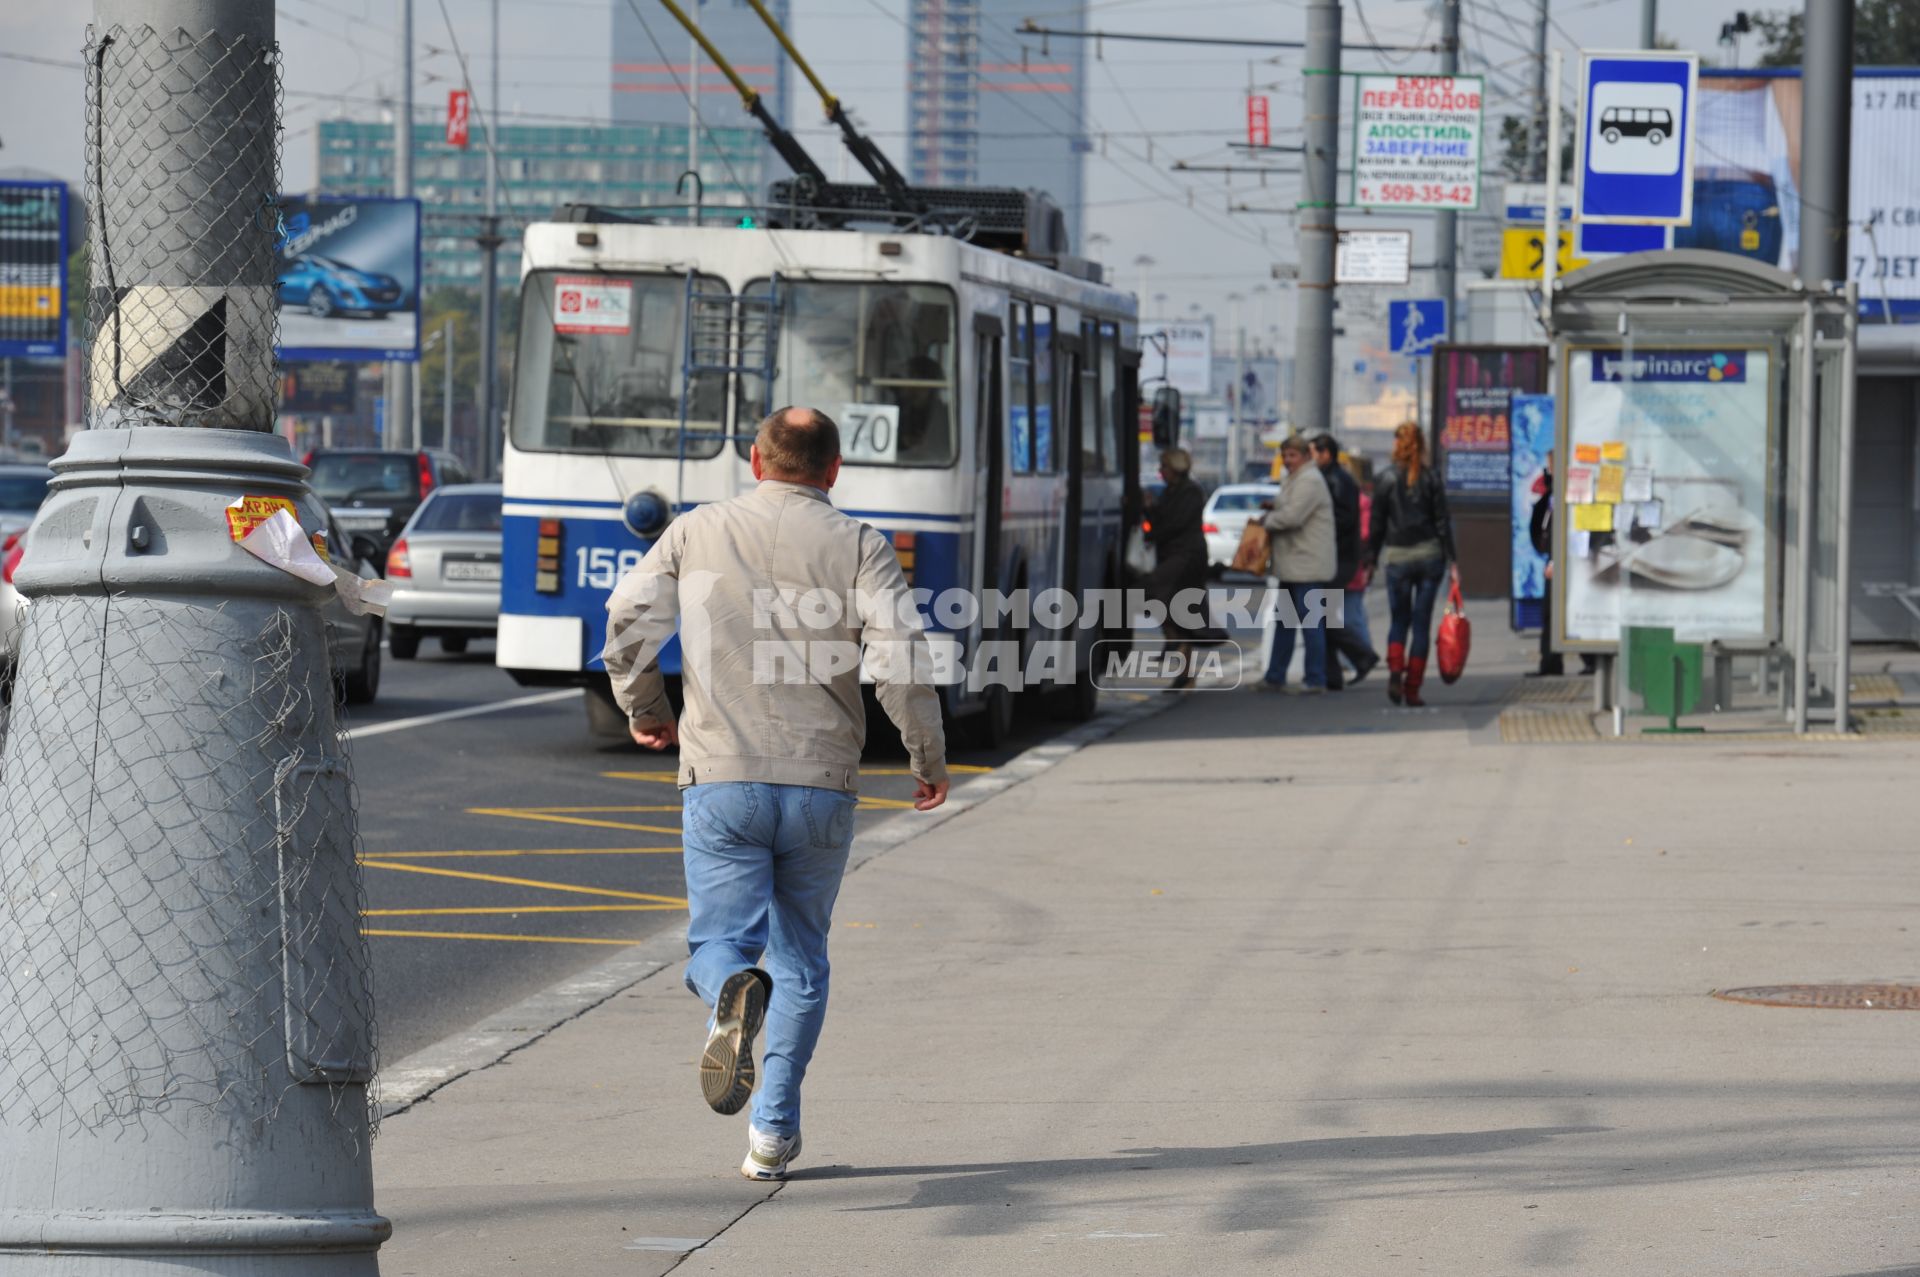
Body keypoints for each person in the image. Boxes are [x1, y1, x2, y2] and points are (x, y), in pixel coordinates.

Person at [602, 406, 950, 1182]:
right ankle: (771, 1133)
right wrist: (927, 756)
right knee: (803, 962)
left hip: (722, 776)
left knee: (720, 944)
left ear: (756, 461)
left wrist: (647, 710)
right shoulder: (860, 544)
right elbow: (900, 660)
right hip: (823, 783)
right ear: (832, 471)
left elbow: (627, 617)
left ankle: (728, 988)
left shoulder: (696, 531)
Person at [1364, 422, 1456, 708]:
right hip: (1430, 557)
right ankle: (1413, 688)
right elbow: (1442, 522)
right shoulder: (1431, 478)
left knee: (1398, 621)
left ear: (1396, 444)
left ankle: (1394, 671)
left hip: (1398, 558)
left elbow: (1377, 524)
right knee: (1421, 625)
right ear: (1422, 444)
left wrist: (1370, 560)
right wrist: (1453, 561)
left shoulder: (1385, 479)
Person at [1257, 434, 1336, 693]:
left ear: (1305, 456)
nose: (1287, 460)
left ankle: (1315, 679)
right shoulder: (1297, 478)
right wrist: (1274, 505)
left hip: (1306, 564)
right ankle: (1275, 676)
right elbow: (1288, 507)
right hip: (1295, 563)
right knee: (1286, 622)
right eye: (1284, 455)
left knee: (1310, 624)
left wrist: (1266, 520)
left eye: (1292, 455)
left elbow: (1292, 516)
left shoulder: (1310, 480)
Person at [1311, 433, 1379, 690]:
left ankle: (1362, 656)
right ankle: (1334, 674)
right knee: (1324, 617)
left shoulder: (1337, 481)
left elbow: (1343, 521)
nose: (1311, 459)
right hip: (1338, 558)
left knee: (1325, 617)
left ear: (1325, 453)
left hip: (1338, 559)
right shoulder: (1335, 479)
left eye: (1313, 453)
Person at [1142, 447, 1210, 686]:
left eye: (1164, 467)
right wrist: (1149, 508)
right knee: (1182, 609)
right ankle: (1184, 670)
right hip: (1174, 553)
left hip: (1187, 555)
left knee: (1150, 590)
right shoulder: (1171, 491)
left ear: (1176, 468)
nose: (1161, 472)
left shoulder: (1190, 491)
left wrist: (1153, 529)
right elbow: (1161, 521)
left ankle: (1175, 639)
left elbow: (1175, 524)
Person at [1527, 456, 1596, 677]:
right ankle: (1551, 663)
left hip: (1571, 561)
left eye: (1551, 466)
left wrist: (1556, 560)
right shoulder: (1552, 495)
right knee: (1551, 614)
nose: (1548, 471)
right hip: (1557, 561)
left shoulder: (1572, 493)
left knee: (1576, 611)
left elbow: (1565, 529)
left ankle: (1591, 659)